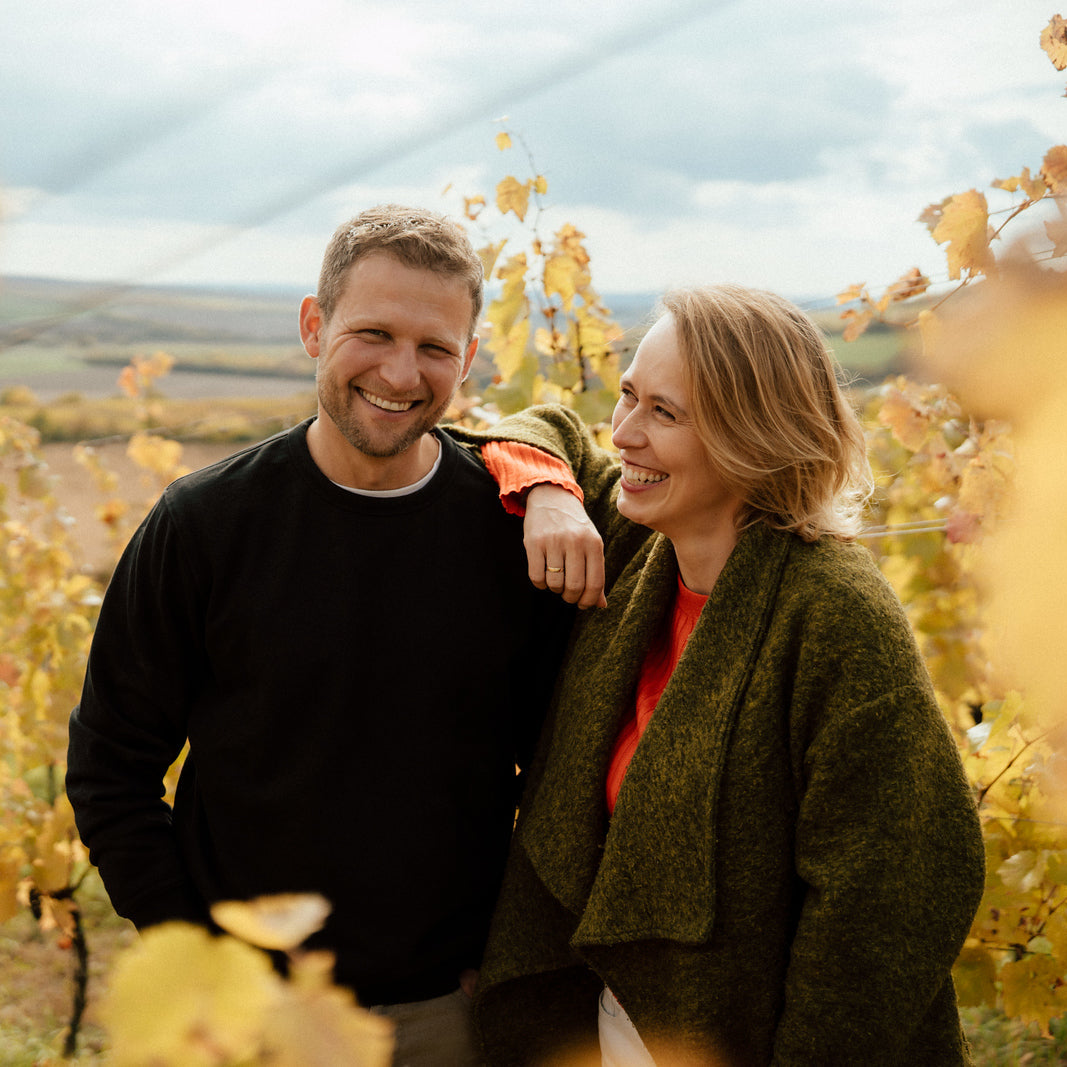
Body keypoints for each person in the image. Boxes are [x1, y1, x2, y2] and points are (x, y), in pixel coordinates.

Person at [64, 204, 585, 1066]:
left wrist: (509, 956)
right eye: (371, 332)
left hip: (447, 1013)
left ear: (470, 356)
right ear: (314, 325)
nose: (399, 371)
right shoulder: (205, 525)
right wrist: (206, 962)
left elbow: (559, 778)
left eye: (434, 348)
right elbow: (109, 768)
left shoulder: (510, 534)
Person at [450, 284, 986, 1066]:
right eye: (627, 396)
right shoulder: (638, 547)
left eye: (664, 414)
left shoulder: (833, 612)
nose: (624, 433)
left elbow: (896, 893)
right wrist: (548, 494)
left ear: (753, 437)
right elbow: (543, 427)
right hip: (601, 1035)